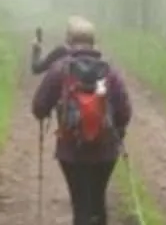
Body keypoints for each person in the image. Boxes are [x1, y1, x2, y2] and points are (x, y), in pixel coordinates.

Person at [32, 16, 133, 225]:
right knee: (98, 201)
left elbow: (39, 108)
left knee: (80, 204)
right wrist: (117, 128)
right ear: (94, 41)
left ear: (68, 40)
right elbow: (125, 111)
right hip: (105, 149)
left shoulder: (60, 69)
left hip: (71, 151)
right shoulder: (109, 71)